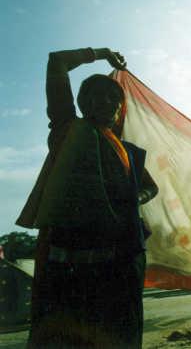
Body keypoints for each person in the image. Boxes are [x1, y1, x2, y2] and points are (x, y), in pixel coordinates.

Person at [16, 48, 158, 348]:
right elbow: (57, 61)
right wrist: (100, 53)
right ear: (82, 103)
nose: (105, 101)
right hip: (69, 265)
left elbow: (150, 188)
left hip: (120, 262)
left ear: (120, 110)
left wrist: (133, 199)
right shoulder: (67, 129)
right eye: (96, 95)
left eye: (113, 99)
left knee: (119, 335)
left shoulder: (128, 152)